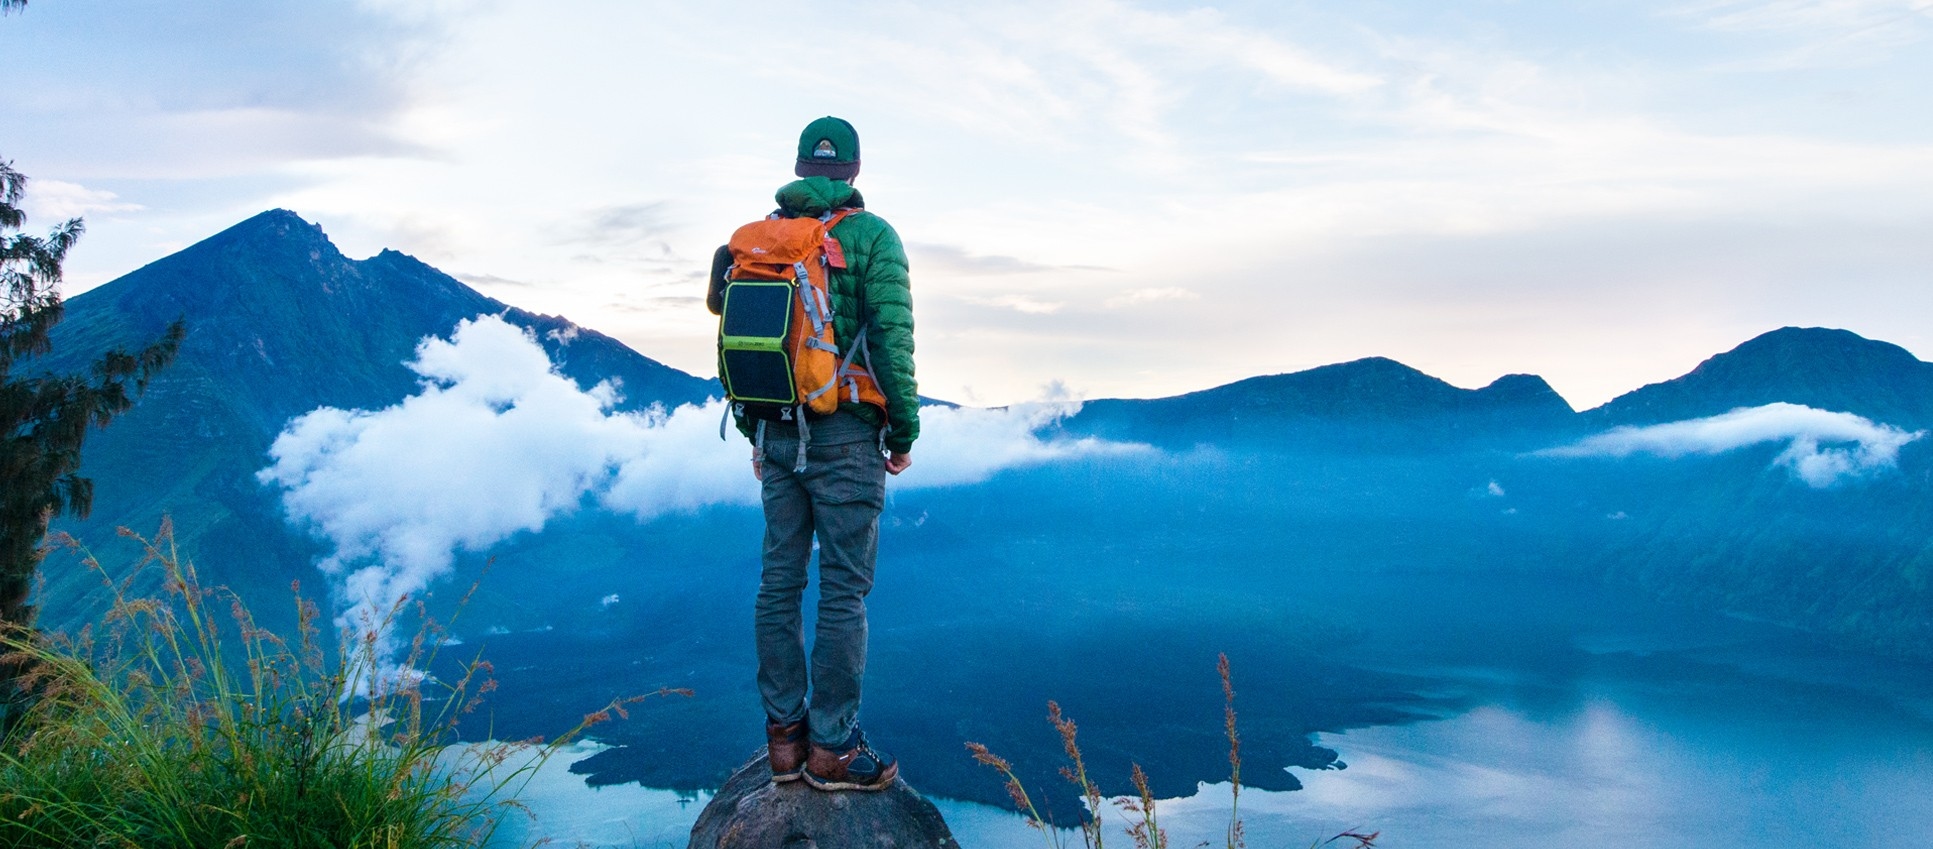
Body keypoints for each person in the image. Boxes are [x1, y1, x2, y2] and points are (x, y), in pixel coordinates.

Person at [710, 116, 920, 792]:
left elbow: (734, 344)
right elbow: (891, 339)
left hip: (772, 429)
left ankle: (782, 742)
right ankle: (831, 750)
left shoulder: (755, 241)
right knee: (843, 591)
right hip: (845, 434)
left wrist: (755, 432)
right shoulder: (872, 237)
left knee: (779, 584)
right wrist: (903, 431)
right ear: (854, 172)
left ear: (800, 167)